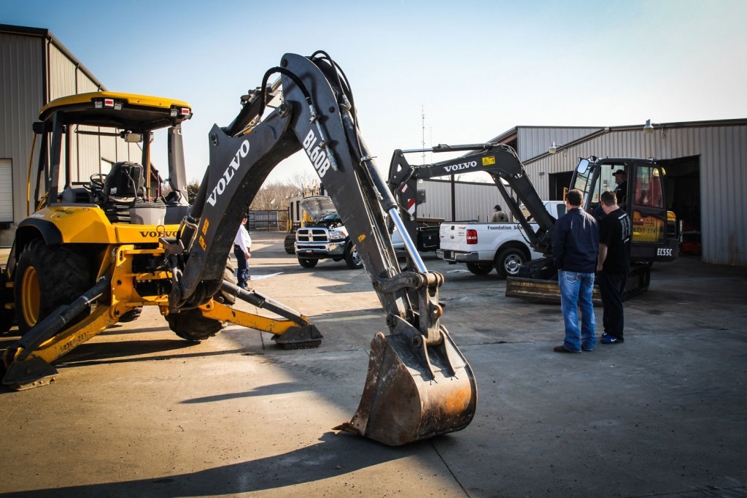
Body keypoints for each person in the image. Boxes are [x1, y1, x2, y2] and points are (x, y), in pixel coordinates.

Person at [551, 189, 599, 353]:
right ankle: (590, 341)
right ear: (583, 202)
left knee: (570, 306)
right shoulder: (592, 220)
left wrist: (558, 264)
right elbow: (596, 245)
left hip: (570, 269)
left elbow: (557, 246)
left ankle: (572, 343)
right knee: (587, 305)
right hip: (588, 269)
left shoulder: (563, 221)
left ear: (567, 202)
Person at [596, 190, 632, 345]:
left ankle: (616, 334)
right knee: (614, 300)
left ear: (603, 203)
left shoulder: (609, 220)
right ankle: (609, 329)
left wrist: (599, 264)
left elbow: (603, 246)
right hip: (623, 264)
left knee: (612, 302)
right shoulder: (624, 216)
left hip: (611, 267)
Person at [233, 215, 252, 288]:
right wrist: (246, 252)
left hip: (240, 248)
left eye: (246, 218)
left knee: (244, 266)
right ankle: (242, 284)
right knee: (243, 267)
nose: (245, 219)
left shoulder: (241, 227)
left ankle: (243, 282)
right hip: (241, 249)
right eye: (243, 218)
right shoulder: (240, 228)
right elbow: (242, 241)